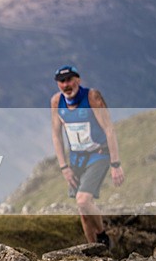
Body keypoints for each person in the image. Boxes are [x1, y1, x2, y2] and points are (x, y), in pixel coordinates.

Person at [50, 65, 125, 246]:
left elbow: (109, 129)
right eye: (62, 81)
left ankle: (101, 235)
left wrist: (116, 165)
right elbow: (56, 135)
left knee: (83, 200)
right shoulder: (56, 102)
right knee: (83, 212)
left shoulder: (92, 97)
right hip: (76, 159)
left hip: (98, 155)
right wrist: (64, 167)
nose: (66, 85)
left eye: (69, 79)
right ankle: (94, 252)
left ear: (78, 80)